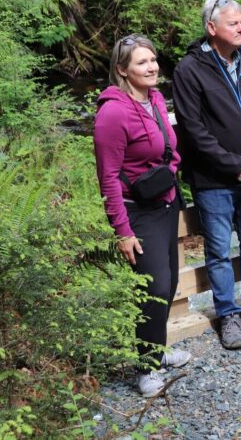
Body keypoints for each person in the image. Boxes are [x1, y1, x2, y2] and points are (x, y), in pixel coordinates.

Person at [172, 0, 241, 349]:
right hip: (213, 180)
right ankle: (228, 315)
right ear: (211, 28)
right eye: (233, 23)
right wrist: (233, 163)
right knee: (219, 251)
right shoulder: (189, 70)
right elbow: (192, 129)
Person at [93, 34, 192, 397]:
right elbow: (107, 177)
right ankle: (146, 368)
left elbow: (168, 148)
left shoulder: (153, 99)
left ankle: (158, 351)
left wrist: (173, 167)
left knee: (167, 284)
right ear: (122, 70)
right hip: (138, 212)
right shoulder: (113, 112)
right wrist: (121, 230)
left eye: (153, 60)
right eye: (141, 63)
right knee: (153, 288)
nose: (152, 67)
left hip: (164, 205)